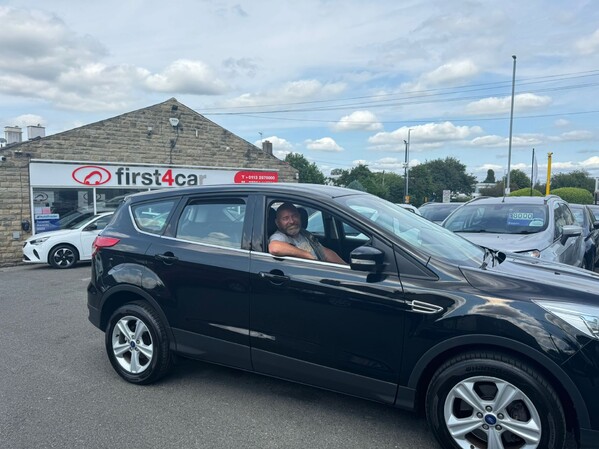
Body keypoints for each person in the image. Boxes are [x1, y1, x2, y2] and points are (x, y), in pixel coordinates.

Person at [268, 202, 346, 264]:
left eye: (294, 216)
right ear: (277, 223)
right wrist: (307, 255)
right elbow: (275, 248)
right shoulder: (279, 236)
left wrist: (345, 267)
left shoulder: (304, 233)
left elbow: (324, 252)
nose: (291, 221)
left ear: (299, 217)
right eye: (285, 218)